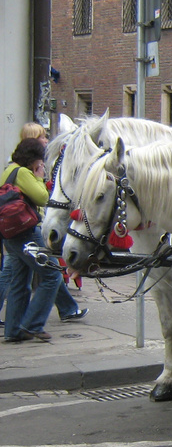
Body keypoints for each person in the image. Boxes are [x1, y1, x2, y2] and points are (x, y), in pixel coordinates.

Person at [0, 123, 88, 324]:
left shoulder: (9, 169)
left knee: (17, 278)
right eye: (42, 137)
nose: (47, 140)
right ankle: (34, 324)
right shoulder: (23, 172)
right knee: (50, 273)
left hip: (10, 231)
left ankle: (14, 328)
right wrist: (39, 177)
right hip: (26, 228)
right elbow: (42, 197)